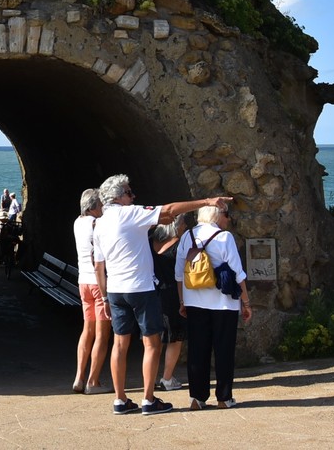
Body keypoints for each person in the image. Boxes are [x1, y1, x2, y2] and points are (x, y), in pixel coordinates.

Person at [94, 173, 232, 416]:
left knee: (119, 344)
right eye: (129, 192)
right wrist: (207, 202)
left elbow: (99, 264)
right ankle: (148, 399)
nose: (133, 196)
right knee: (152, 344)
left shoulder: (100, 223)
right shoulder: (130, 213)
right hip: (140, 288)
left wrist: (104, 297)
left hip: (115, 289)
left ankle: (120, 399)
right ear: (118, 197)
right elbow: (168, 211)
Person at [175, 205, 252, 410]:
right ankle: (224, 398)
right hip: (223, 302)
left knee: (197, 349)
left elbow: (179, 274)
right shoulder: (224, 237)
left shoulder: (187, 236)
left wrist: (182, 301)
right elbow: (238, 273)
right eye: (226, 215)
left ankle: (197, 397)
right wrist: (246, 303)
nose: (228, 219)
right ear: (217, 216)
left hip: (194, 301)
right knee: (224, 349)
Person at [73, 188, 111, 394]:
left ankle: (79, 377)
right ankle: (93, 381)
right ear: (93, 207)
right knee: (102, 335)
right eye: (101, 204)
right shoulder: (97, 224)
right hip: (99, 283)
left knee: (87, 330)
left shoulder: (77, 222)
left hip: (83, 282)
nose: (104, 208)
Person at [151, 221, 185, 391]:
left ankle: (150, 378)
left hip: (153, 293)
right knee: (175, 337)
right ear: (175, 227)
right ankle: (167, 378)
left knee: (154, 339)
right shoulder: (179, 245)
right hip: (173, 294)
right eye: (183, 223)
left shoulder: (150, 244)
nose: (185, 226)